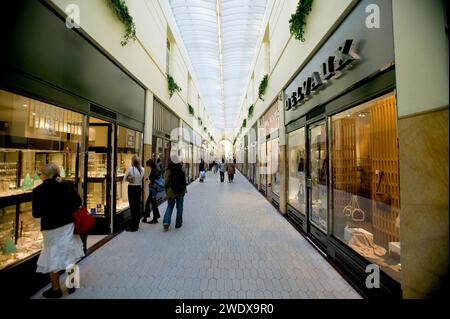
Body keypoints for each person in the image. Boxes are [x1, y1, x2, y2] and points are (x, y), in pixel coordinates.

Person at [32, 163, 84, 298]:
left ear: (44, 175)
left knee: (52, 255)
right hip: (67, 225)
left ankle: (56, 288)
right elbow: (78, 201)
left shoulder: (38, 190)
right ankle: (72, 283)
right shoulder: (67, 185)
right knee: (69, 252)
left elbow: (36, 213)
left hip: (50, 229)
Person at [163, 156, 187, 231]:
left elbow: (165, 181)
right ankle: (178, 224)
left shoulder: (168, 170)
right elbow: (184, 179)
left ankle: (166, 223)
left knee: (170, 206)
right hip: (181, 191)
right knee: (180, 208)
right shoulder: (181, 168)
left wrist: (166, 189)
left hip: (171, 192)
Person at [124, 155, 145, 232]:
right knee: (137, 206)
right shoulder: (142, 169)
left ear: (132, 161)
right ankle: (137, 223)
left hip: (132, 188)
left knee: (133, 207)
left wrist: (129, 178)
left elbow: (124, 178)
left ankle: (134, 226)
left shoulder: (130, 169)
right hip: (139, 188)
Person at [142, 159, 160, 224]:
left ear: (150, 165)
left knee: (151, 203)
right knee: (151, 203)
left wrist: (148, 180)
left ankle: (153, 218)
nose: (148, 167)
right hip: (154, 190)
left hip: (153, 190)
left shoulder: (153, 171)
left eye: (148, 165)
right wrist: (148, 179)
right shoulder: (155, 170)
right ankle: (147, 218)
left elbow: (153, 181)